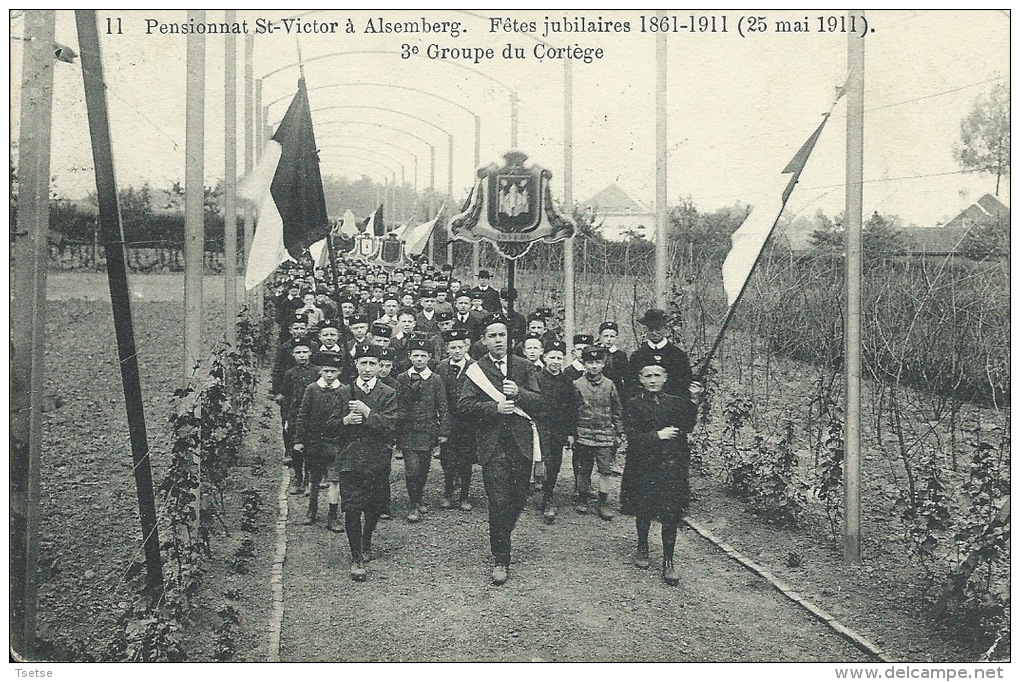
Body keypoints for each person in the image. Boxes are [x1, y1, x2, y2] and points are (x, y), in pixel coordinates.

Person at [459, 313, 543, 585]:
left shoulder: (523, 366)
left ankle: (502, 534)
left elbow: (540, 402)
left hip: (520, 443)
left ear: (510, 338)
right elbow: (464, 405)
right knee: (498, 500)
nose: (498, 340)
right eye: (492, 336)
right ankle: (501, 558)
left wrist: (519, 392)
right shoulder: (476, 370)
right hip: (493, 445)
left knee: (518, 498)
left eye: (502, 335)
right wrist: (493, 408)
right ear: (483, 341)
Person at [620, 360, 703, 586]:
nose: (653, 380)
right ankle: (643, 546)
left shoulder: (675, 403)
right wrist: (658, 436)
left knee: (671, 514)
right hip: (644, 466)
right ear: (641, 379)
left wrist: (694, 400)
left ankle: (668, 560)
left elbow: (687, 425)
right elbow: (632, 437)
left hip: (671, 467)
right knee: (644, 509)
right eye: (648, 376)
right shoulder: (633, 405)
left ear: (665, 378)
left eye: (657, 375)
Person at [332, 345, 399, 581]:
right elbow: (328, 427)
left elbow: (391, 427)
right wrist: (346, 421)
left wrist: (367, 411)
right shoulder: (343, 392)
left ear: (380, 366)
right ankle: (356, 556)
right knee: (351, 507)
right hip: (350, 459)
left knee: (373, 506)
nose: (368, 369)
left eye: (373, 364)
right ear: (356, 365)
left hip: (376, 458)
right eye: (364, 363)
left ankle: (366, 538)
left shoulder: (388, 393)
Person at [395, 338, 450, 523]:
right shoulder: (402, 378)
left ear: (429, 357)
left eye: (423, 356)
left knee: (424, 468)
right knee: (412, 469)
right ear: (409, 356)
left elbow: (443, 407)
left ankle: (419, 498)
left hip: (427, 430)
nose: (419, 359)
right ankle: (413, 504)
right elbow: (398, 403)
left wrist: (443, 431)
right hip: (408, 430)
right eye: (415, 355)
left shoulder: (435, 379)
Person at [292, 351, 348, 530]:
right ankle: (312, 510)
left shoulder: (344, 391)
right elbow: (302, 415)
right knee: (314, 478)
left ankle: (333, 515)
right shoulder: (312, 389)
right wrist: (299, 440)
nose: (329, 375)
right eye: (326, 371)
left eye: (333, 371)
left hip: (336, 442)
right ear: (320, 371)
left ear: (339, 371)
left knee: (334, 480)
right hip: (314, 442)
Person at [572, 345, 624, 520]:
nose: (594, 366)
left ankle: (603, 502)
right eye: (590, 362)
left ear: (603, 364)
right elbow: (572, 412)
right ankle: (582, 498)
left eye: (597, 362)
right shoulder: (577, 385)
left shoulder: (610, 385)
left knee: (605, 471)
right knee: (584, 468)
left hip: (605, 436)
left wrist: (618, 432)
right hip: (584, 435)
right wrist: (572, 434)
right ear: (584, 364)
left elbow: (617, 410)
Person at [534, 339, 578, 524]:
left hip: (558, 428)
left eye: (559, 358)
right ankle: (541, 496)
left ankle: (548, 495)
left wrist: (570, 433)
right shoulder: (536, 378)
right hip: (539, 426)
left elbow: (572, 408)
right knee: (542, 461)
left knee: (555, 463)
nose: (555, 361)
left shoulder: (567, 382)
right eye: (552, 357)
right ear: (544, 358)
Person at [435, 328, 477, 511]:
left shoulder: (475, 367)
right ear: (447, 349)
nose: (457, 351)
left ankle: (465, 495)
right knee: (447, 458)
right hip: (448, 420)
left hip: (469, 421)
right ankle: (448, 489)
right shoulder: (442, 367)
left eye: (460, 347)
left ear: (466, 347)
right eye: (453, 347)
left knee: (466, 459)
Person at [280, 337, 319, 496]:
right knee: (296, 448)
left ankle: (308, 479)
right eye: (298, 352)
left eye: (305, 352)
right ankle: (298, 476)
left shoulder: (317, 372)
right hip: (295, 414)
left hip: (313, 415)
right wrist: (287, 418)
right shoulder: (290, 373)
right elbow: (286, 398)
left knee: (310, 448)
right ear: (292, 354)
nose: (302, 355)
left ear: (310, 353)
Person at [626, 308, 693, 400]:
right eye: (651, 329)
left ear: (666, 329)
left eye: (658, 328)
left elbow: (684, 385)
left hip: (672, 407)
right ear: (646, 330)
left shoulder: (678, 355)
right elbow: (631, 385)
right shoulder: (638, 356)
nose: (654, 333)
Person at [597, 321, 629, 390]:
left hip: (616, 388)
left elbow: (625, 375)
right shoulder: (596, 352)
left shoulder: (621, 355)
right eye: (605, 336)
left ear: (616, 338)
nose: (609, 339)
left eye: (612, 336)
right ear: (600, 337)